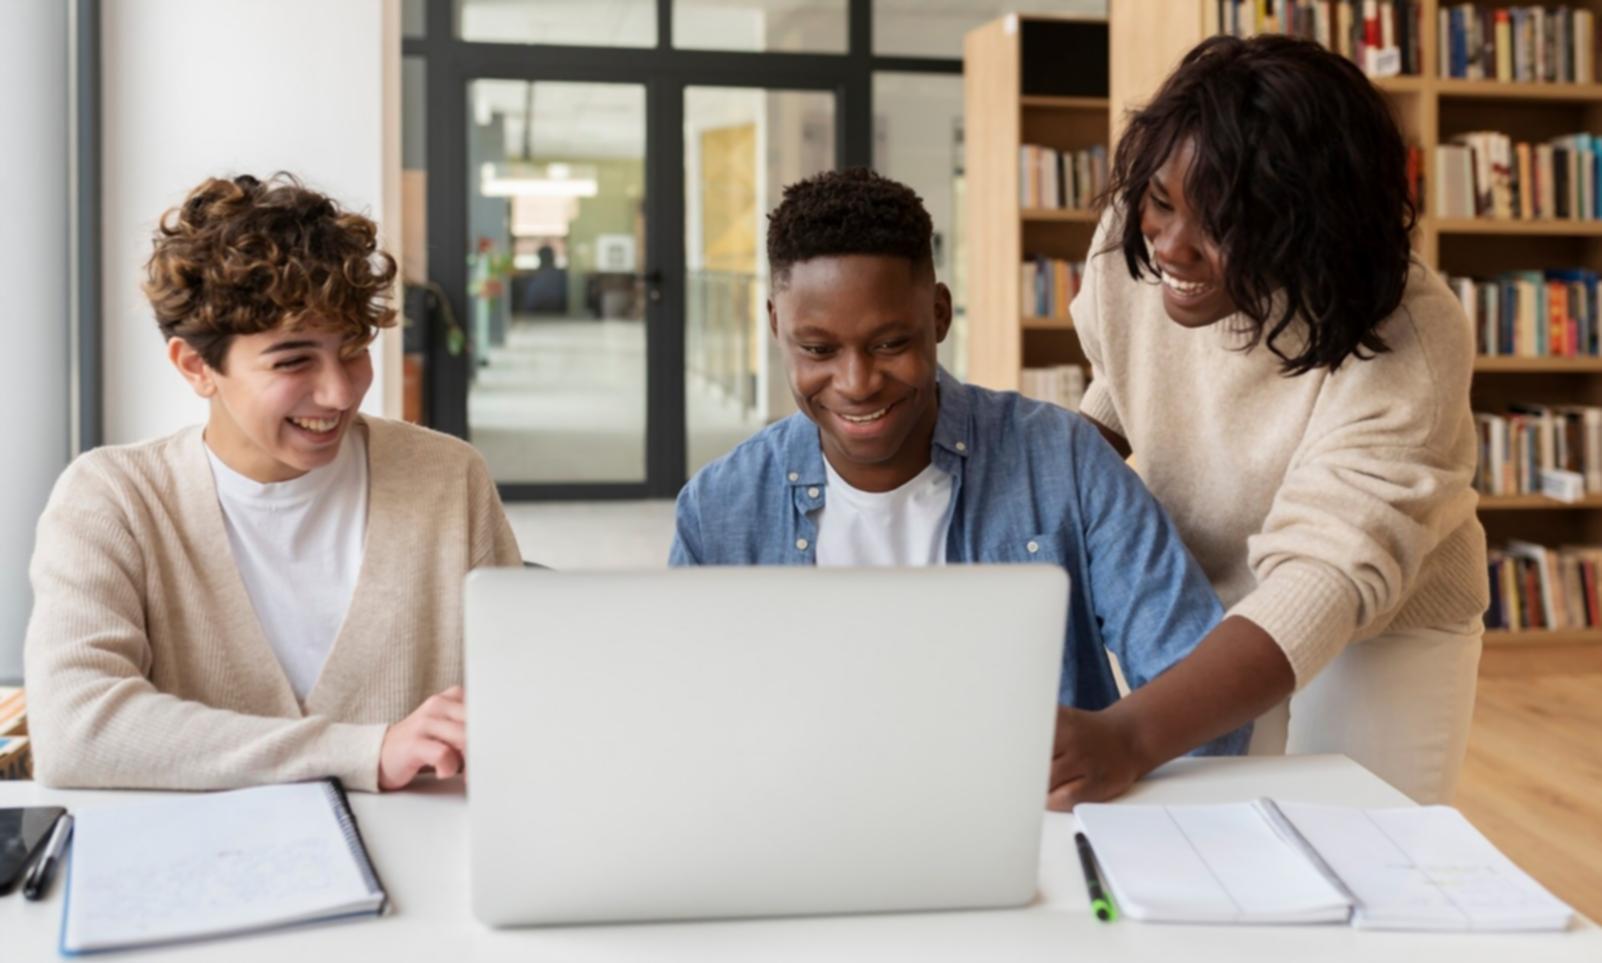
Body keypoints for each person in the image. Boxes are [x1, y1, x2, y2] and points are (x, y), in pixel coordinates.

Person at [671, 167, 1255, 808]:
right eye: (818, 350)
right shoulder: (719, 509)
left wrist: (1124, 756)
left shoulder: (1063, 461)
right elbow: (683, 735)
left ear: (940, 313)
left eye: (890, 343)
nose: (857, 382)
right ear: (776, 324)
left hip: (1036, 835)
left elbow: (1204, 702)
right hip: (802, 828)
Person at [1071, 35, 1487, 803]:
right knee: (1214, 834)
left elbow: (1327, 574)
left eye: (1222, 224)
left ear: (1311, 227)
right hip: (1206, 602)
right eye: (1161, 200)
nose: (1171, 247)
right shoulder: (1134, 240)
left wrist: (1130, 735)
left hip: (1383, 623)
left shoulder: (1412, 337)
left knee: (1364, 847)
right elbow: (1121, 386)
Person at [24, 174, 522, 792]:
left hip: (425, 847)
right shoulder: (114, 498)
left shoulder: (447, 478)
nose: (339, 393)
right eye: (293, 360)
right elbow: (74, 730)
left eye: (352, 349)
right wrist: (365, 751)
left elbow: (523, 697)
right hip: (202, 851)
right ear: (196, 367)